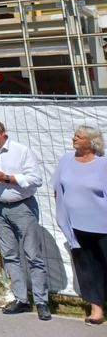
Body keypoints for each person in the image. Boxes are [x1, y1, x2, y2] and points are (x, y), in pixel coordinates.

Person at [0, 117, 50, 320]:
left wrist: (6, 178)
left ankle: (41, 301)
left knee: (33, 255)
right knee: (9, 255)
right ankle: (21, 299)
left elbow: (36, 179)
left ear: (2, 132)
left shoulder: (21, 150)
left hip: (23, 206)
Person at [51, 125, 107, 326]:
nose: (74, 138)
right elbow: (57, 188)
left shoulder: (103, 164)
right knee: (85, 267)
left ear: (92, 143)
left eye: (79, 137)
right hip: (76, 226)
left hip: (103, 226)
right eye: (74, 135)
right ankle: (96, 309)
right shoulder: (66, 160)